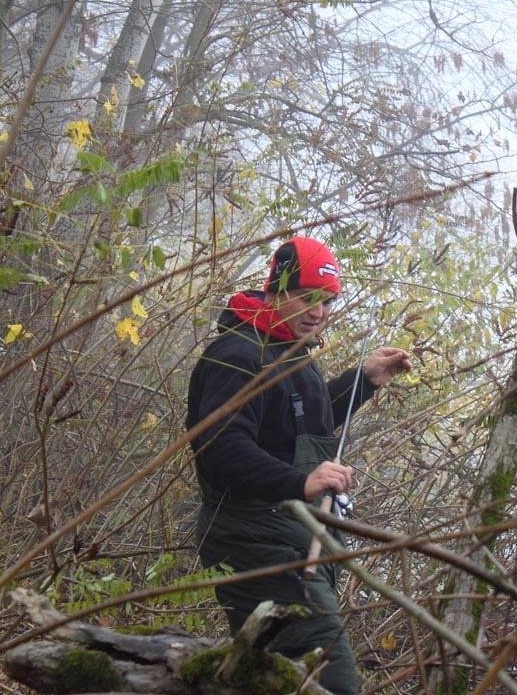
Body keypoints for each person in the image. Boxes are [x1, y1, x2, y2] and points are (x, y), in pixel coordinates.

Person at [187, 235, 411, 695]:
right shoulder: (238, 356)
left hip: (296, 541)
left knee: (270, 682)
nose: (319, 311)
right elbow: (221, 447)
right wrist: (301, 482)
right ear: (275, 288)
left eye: (327, 301)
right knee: (331, 683)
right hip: (256, 542)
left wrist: (362, 382)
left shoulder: (288, 350)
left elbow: (294, 425)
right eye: (306, 297)